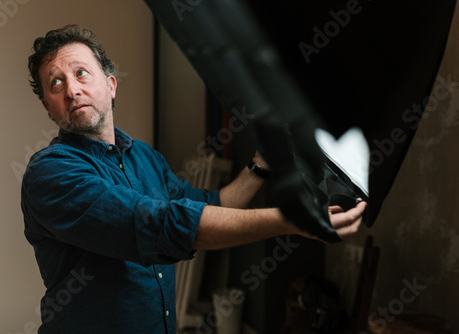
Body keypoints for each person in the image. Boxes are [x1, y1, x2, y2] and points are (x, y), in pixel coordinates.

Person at [21, 24, 366, 334]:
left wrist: (261, 165)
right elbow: (158, 225)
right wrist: (291, 220)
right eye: (56, 83)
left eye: (81, 73)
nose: (71, 90)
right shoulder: (50, 173)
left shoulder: (145, 157)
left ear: (110, 85)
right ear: (47, 107)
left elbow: (209, 206)